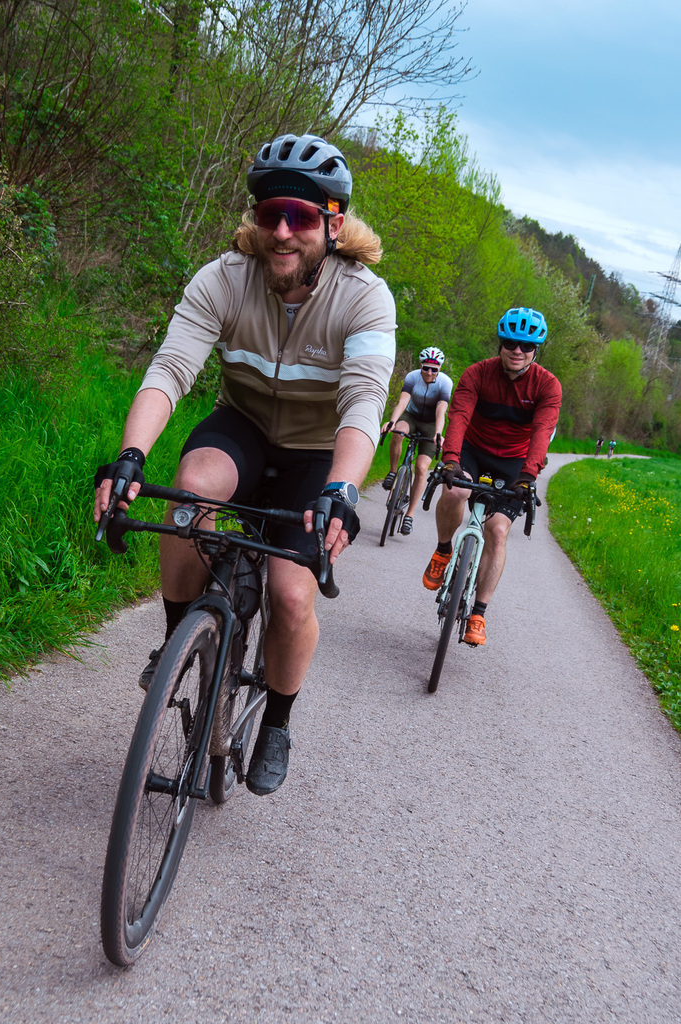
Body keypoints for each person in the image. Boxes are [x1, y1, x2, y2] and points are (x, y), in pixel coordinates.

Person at [93, 133, 396, 795]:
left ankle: (277, 721)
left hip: (317, 453)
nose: (282, 231)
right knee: (189, 492)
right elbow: (170, 370)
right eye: (269, 214)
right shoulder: (224, 277)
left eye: (302, 216)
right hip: (245, 429)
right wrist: (130, 457)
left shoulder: (364, 297)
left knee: (290, 594)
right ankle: (178, 643)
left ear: (334, 223)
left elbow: (364, 402)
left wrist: (343, 490)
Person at [421, 307, 562, 647]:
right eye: (511, 343)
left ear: (536, 350)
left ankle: (479, 613)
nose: (518, 351)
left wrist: (528, 475)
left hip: (515, 462)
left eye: (526, 346)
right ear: (500, 344)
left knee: (497, 531)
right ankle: (443, 550)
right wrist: (451, 459)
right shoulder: (478, 374)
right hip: (474, 449)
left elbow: (543, 432)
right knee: (455, 492)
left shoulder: (547, 385)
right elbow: (459, 416)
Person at [380, 347, 452, 535]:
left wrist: (438, 433)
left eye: (434, 369)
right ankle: (393, 472)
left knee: (421, 468)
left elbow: (441, 411)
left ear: (439, 368)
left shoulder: (445, 383)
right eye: (426, 368)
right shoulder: (412, 377)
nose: (429, 372)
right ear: (421, 366)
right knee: (398, 432)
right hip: (411, 416)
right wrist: (392, 422)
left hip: (431, 424)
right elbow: (403, 402)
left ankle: (409, 515)